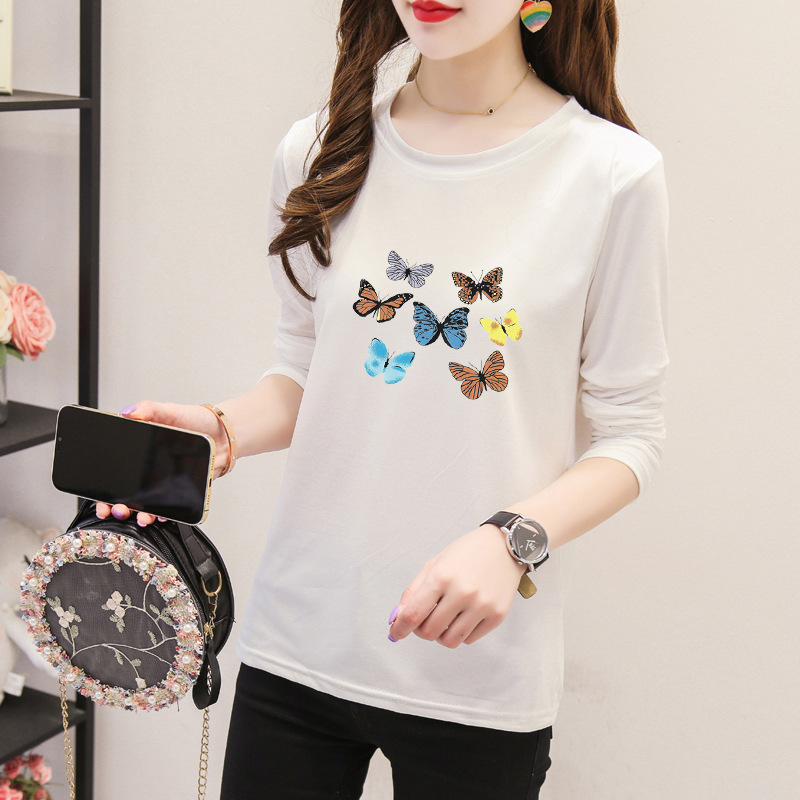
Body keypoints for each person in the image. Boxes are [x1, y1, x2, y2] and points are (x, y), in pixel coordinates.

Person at [98, 1, 668, 797]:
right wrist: (219, 429)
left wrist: (510, 541)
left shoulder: (611, 174)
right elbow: (305, 369)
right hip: (299, 642)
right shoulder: (320, 147)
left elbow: (632, 435)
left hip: (476, 672)